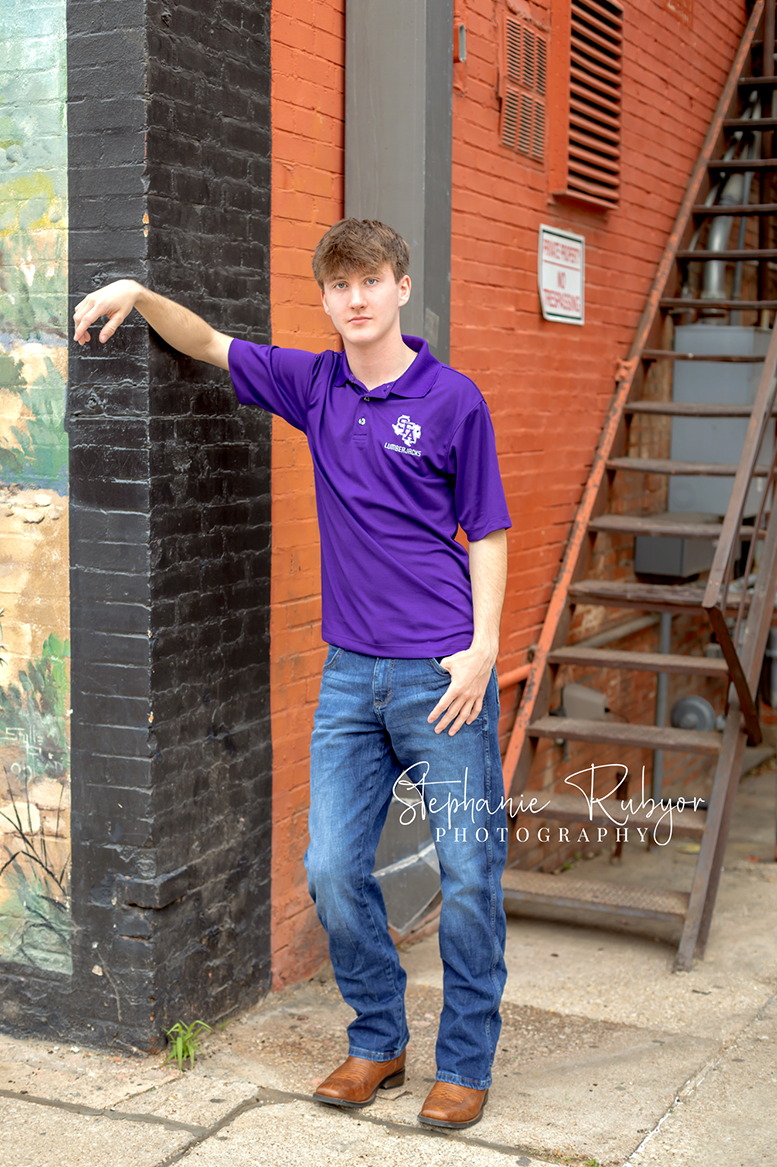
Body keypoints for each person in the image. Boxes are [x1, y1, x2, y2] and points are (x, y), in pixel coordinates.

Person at [73, 218, 511, 1130]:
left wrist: (482, 649)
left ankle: (465, 1063)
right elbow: (209, 343)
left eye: (370, 282)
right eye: (338, 287)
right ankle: (378, 1042)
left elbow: (490, 532)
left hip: (444, 678)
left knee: (469, 872)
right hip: (353, 680)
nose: (354, 300)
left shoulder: (453, 400)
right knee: (330, 868)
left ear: (399, 288)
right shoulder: (315, 384)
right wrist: (138, 296)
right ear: (328, 300)